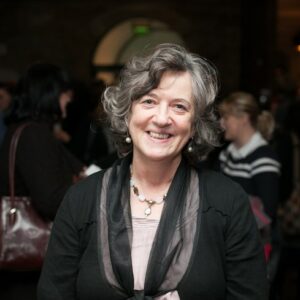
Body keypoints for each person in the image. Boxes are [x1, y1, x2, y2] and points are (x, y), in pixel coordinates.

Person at [37, 44, 268, 299]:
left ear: (194, 126)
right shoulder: (81, 200)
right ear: (127, 114)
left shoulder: (227, 202)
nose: (161, 118)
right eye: (149, 101)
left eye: (179, 107)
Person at [0, 63, 85, 300]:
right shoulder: (34, 135)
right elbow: (50, 199)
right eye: (65, 92)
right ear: (50, 94)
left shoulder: (24, 130)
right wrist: (81, 187)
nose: (70, 98)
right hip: (30, 266)